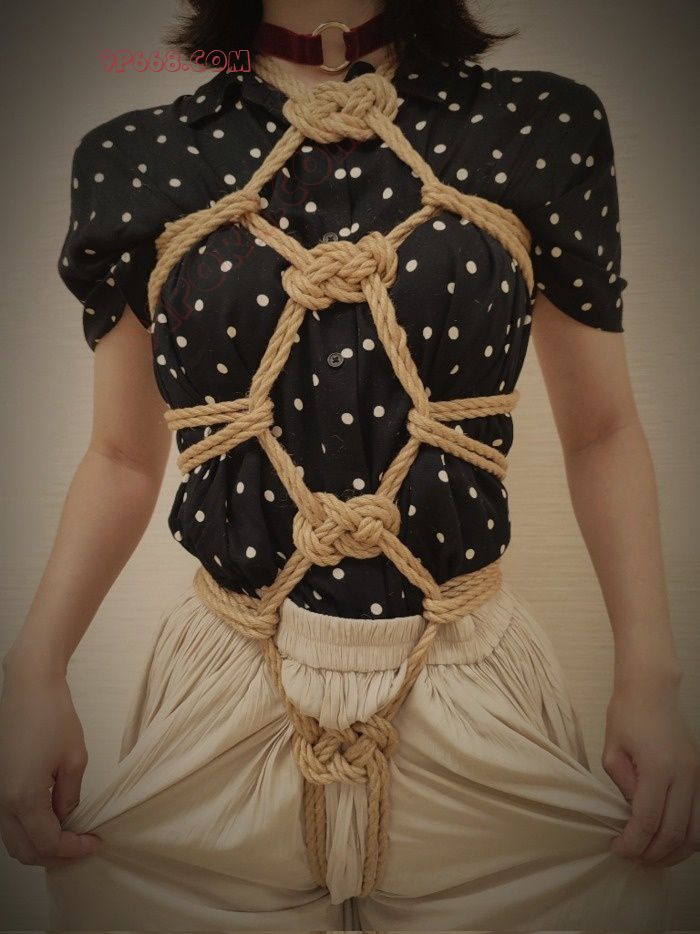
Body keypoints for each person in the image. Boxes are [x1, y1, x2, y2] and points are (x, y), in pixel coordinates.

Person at [1, 0, 698, 930]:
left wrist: (650, 679)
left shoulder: (535, 126)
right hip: (224, 687)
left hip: (470, 678)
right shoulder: (139, 158)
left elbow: (603, 431)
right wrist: (34, 671)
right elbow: (123, 456)